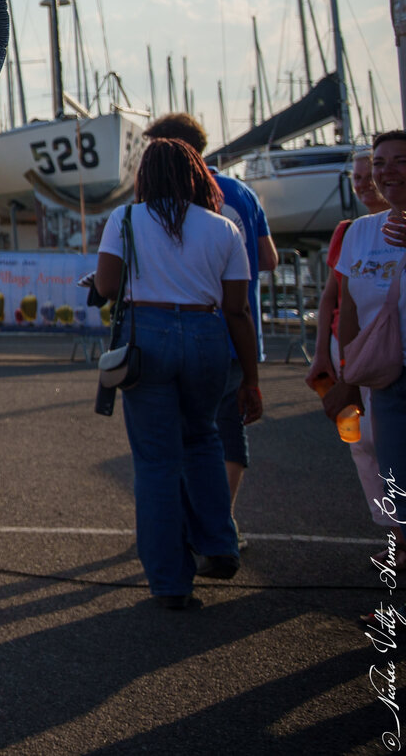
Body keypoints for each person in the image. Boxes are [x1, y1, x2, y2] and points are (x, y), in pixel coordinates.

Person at [93, 137, 262, 610]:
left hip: (146, 335)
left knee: (156, 462)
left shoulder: (125, 219)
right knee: (204, 438)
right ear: (195, 176)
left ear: (145, 176)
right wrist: (251, 379)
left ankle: (170, 582)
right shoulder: (223, 227)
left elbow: (107, 285)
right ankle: (219, 543)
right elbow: (238, 310)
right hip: (207, 334)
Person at [145, 112, 277, 536]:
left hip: (187, 332)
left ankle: (192, 525)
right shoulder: (243, 193)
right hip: (239, 331)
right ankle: (222, 524)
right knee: (226, 432)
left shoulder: (171, 201)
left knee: (181, 436)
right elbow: (269, 258)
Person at [312, 149, 388, 526]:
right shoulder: (348, 231)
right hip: (347, 345)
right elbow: (331, 297)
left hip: (388, 348)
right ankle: (391, 530)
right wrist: (320, 354)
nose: (362, 184)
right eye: (357, 178)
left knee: (385, 439)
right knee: (360, 442)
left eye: (367, 176)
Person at [335, 131, 406, 536]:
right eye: (380, 162)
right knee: (395, 479)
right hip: (385, 378)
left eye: (400, 161)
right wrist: (347, 377)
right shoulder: (360, 232)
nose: (387, 171)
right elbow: (347, 308)